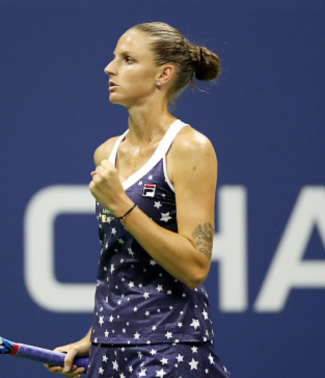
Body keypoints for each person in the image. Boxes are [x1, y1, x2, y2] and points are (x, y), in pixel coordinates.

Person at [46, 22, 230, 378]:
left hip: (170, 350)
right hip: (109, 350)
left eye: (128, 59)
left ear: (163, 74)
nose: (110, 68)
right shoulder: (106, 153)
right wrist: (93, 337)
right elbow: (120, 264)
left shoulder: (190, 148)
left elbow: (195, 267)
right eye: (115, 57)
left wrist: (123, 206)